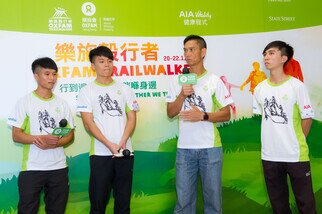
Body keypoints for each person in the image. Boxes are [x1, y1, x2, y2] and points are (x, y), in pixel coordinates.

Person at [166, 35, 233, 214]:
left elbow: (227, 114)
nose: (187, 54)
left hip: (210, 149)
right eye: (185, 50)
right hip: (185, 150)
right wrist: (181, 95)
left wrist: (202, 115)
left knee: (213, 201)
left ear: (203, 52)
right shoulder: (177, 81)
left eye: (192, 49)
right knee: (183, 203)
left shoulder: (214, 81)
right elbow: (170, 113)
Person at [253, 41, 316, 213]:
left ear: (283, 58)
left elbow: (307, 117)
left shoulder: (297, 86)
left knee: (306, 205)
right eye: (265, 53)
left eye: (271, 53)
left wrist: (297, 141)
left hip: (296, 156)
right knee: (279, 206)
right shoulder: (259, 89)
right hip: (270, 156)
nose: (266, 57)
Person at [7, 57, 75, 214]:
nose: (52, 78)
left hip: (59, 168)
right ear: (36, 76)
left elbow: (70, 135)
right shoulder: (25, 102)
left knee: (57, 210)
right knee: (27, 210)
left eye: (54, 74)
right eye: (47, 74)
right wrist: (39, 139)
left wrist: (56, 143)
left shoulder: (62, 104)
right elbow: (16, 135)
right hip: (32, 168)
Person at [76, 46, 139, 214]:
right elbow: (88, 124)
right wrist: (109, 145)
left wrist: (123, 141)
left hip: (125, 153)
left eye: (110, 61)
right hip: (100, 154)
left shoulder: (125, 89)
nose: (107, 65)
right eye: (101, 61)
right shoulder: (86, 91)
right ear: (92, 65)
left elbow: (132, 118)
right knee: (98, 203)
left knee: (123, 203)